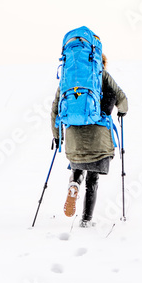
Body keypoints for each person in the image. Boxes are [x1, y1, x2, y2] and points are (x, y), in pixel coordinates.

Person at [51, 52, 128, 227]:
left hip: (73, 138)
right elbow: (121, 97)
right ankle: (85, 220)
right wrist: (122, 110)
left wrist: (57, 136)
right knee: (92, 179)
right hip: (98, 139)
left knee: (78, 167)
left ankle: (74, 184)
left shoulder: (69, 77)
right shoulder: (101, 74)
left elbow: (55, 108)